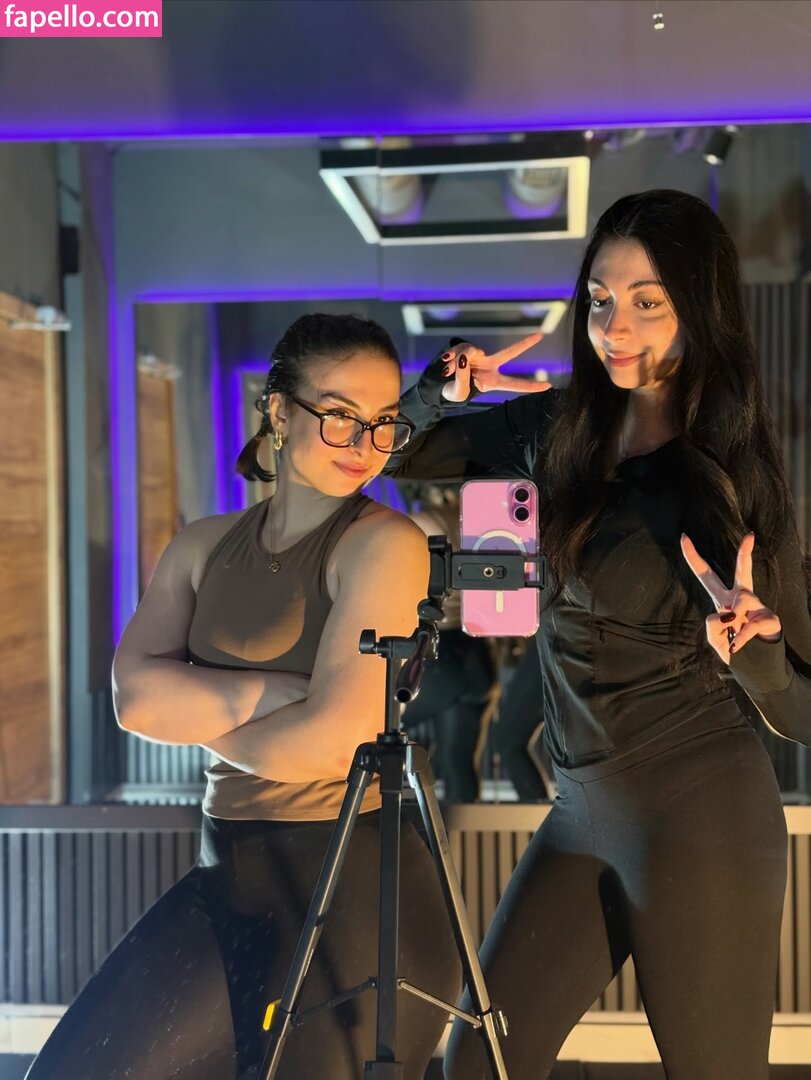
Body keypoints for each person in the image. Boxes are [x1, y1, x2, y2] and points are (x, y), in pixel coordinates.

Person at [387, 189, 811, 1079]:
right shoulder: (557, 430)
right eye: (599, 299)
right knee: (475, 1067)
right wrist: (439, 391)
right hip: (578, 810)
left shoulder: (731, 479)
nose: (614, 326)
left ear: (699, 308)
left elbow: (801, 713)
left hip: (701, 809)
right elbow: (398, 452)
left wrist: (761, 659)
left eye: (647, 301)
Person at [26, 313, 461, 1080]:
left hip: (352, 883)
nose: (364, 442)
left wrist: (197, 712)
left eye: (382, 422)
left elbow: (330, 744)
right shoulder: (201, 544)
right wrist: (273, 694)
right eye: (338, 415)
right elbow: (134, 699)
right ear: (279, 410)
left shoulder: (384, 544)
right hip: (226, 866)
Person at [401, 483, 497, 803]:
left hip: (439, 656)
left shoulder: (420, 524)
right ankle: (461, 834)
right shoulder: (482, 530)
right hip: (477, 654)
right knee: (460, 764)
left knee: (380, 725)